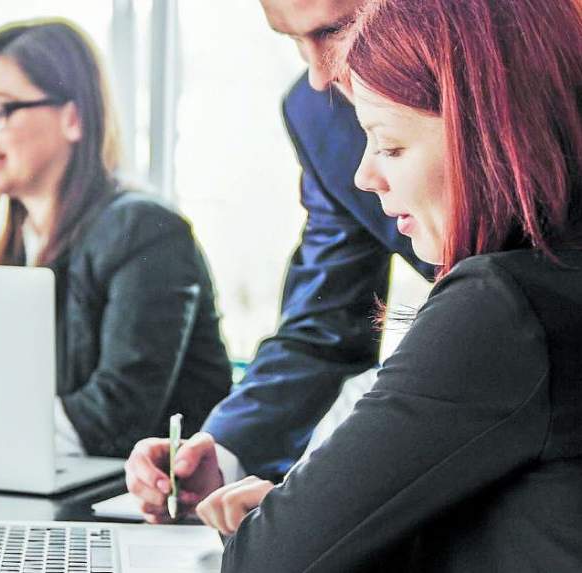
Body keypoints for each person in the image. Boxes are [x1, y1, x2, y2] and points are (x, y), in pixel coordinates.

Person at [218, 0, 582, 569]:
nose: (363, 177)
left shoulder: (501, 307)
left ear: (488, 131)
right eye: (292, 40)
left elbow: (266, 560)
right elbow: (323, 323)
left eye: (388, 146)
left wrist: (309, 523)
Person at [125, 0, 434, 522]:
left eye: (336, 31)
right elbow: (324, 326)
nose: (319, 76)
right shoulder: (318, 115)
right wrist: (223, 454)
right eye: (293, 39)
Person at [0, 18, 231, 459]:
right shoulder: (15, 246)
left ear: (73, 118)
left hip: (152, 495)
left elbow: (114, 418)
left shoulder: (145, 229)